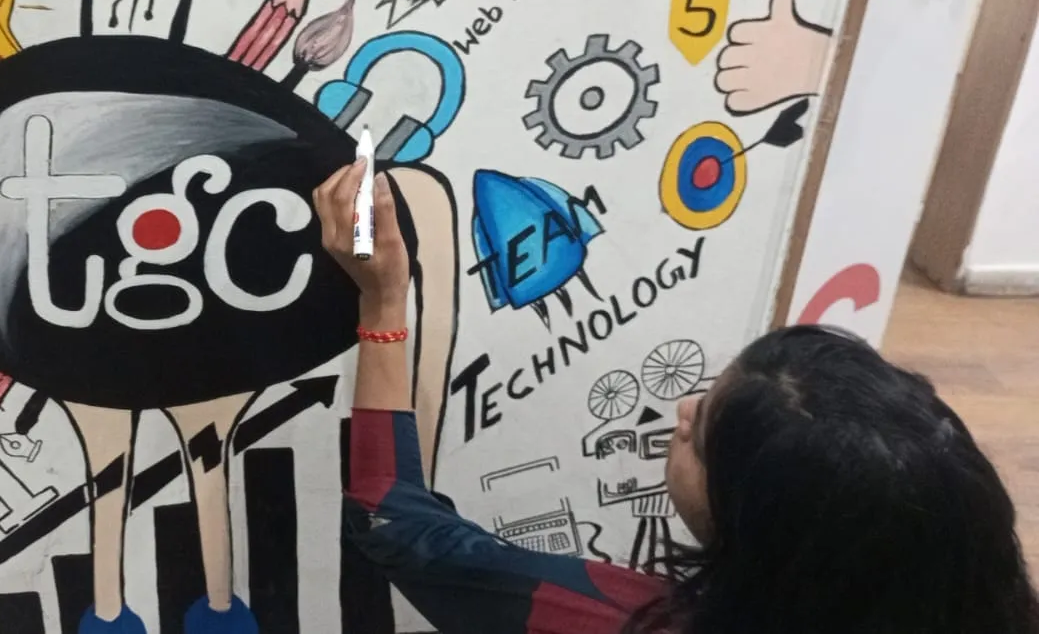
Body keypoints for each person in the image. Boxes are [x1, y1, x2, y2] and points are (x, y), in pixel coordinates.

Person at [314, 159, 1039, 634]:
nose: (683, 411)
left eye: (703, 435)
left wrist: (383, 302)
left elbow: (393, 521)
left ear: (764, 532)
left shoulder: (632, 622)